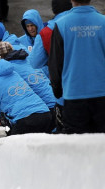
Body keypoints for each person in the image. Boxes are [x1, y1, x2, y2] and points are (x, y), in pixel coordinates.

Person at [48, 0, 105, 134]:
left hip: (74, 95)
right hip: (102, 94)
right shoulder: (103, 22)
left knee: (77, 146)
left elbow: (55, 65)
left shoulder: (61, 25)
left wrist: (58, 91)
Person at [26, 0, 72, 133]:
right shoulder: (95, 21)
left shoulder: (47, 31)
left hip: (64, 93)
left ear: (54, 9)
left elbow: (34, 62)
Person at [0, 53, 52, 135]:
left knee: (13, 145)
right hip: (45, 114)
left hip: (26, 118)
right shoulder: (14, 74)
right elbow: (1, 107)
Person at [0, 41, 56, 131]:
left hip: (44, 108)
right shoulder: (28, 59)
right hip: (56, 102)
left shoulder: (9, 69)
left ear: (0, 57)